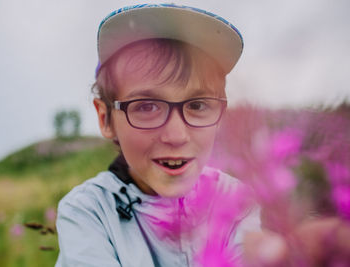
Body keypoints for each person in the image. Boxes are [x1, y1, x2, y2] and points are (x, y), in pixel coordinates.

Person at [55, 4, 260, 267]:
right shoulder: (89, 212)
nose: (176, 136)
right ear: (106, 118)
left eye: (197, 105)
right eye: (147, 107)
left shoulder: (237, 202)